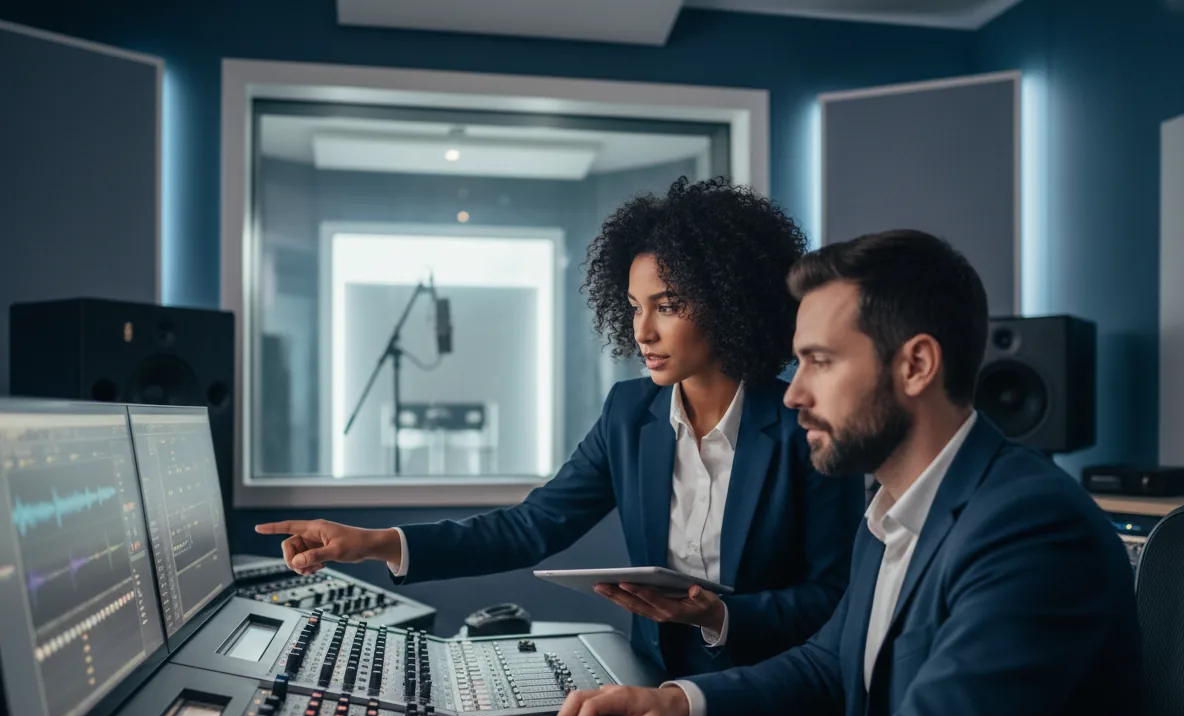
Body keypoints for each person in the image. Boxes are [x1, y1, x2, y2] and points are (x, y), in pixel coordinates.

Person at [503, 229, 1144, 716]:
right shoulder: (892, 506)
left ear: (915, 365)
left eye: (821, 361)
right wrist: (675, 702)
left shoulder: (1029, 526)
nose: (793, 393)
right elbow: (827, 663)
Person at [256, 176, 867, 679]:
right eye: (633, 306)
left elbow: (832, 596)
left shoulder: (804, 424)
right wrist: (376, 542)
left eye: (669, 305)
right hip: (654, 684)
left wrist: (717, 617)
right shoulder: (630, 414)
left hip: (776, 694)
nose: (642, 331)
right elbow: (532, 526)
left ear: (734, 302)